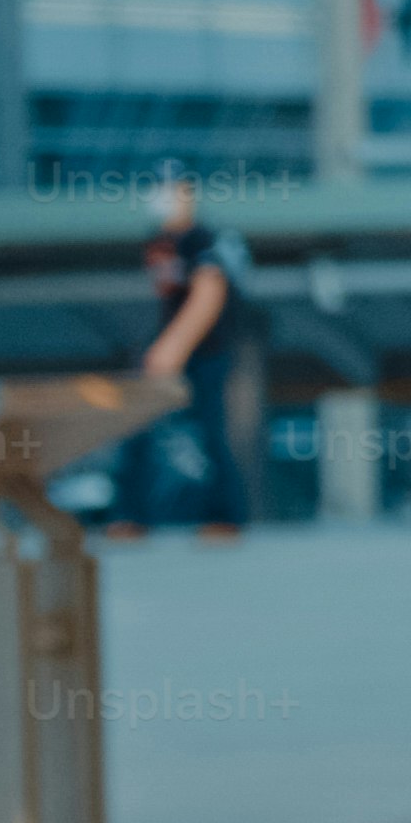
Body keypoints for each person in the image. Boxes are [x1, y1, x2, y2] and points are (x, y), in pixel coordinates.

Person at [121, 167, 249, 543]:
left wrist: (172, 347)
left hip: (203, 353)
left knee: (208, 431)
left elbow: (209, 293)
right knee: (137, 430)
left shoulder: (201, 240)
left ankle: (223, 516)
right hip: (169, 349)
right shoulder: (159, 241)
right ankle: (131, 515)